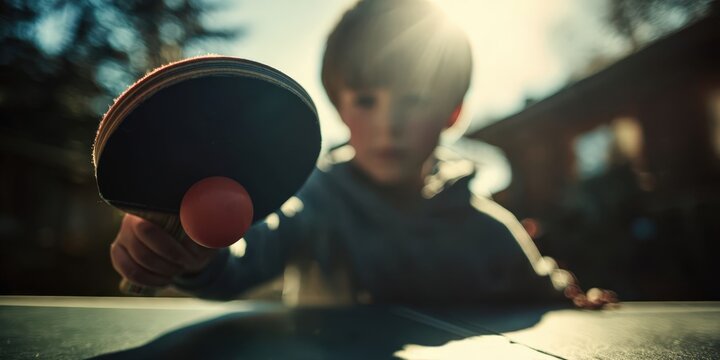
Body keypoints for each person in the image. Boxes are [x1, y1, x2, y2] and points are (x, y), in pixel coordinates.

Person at [110, 0, 615, 307]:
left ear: (452, 113)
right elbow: (241, 261)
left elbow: (538, 285)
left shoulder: (488, 227)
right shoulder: (309, 205)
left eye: (414, 100)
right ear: (341, 110)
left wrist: (567, 295)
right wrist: (192, 256)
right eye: (367, 101)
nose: (389, 122)